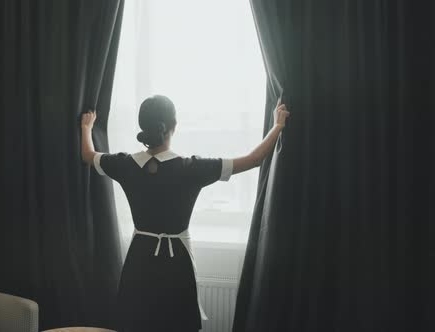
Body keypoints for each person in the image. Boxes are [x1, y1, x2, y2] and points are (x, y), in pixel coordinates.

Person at [81, 95, 289, 332]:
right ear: (173, 126)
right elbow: (254, 159)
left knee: (137, 321)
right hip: (176, 261)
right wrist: (278, 126)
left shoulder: (125, 165)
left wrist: (86, 127)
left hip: (139, 257)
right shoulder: (192, 168)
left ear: (143, 126)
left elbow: (88, 155)